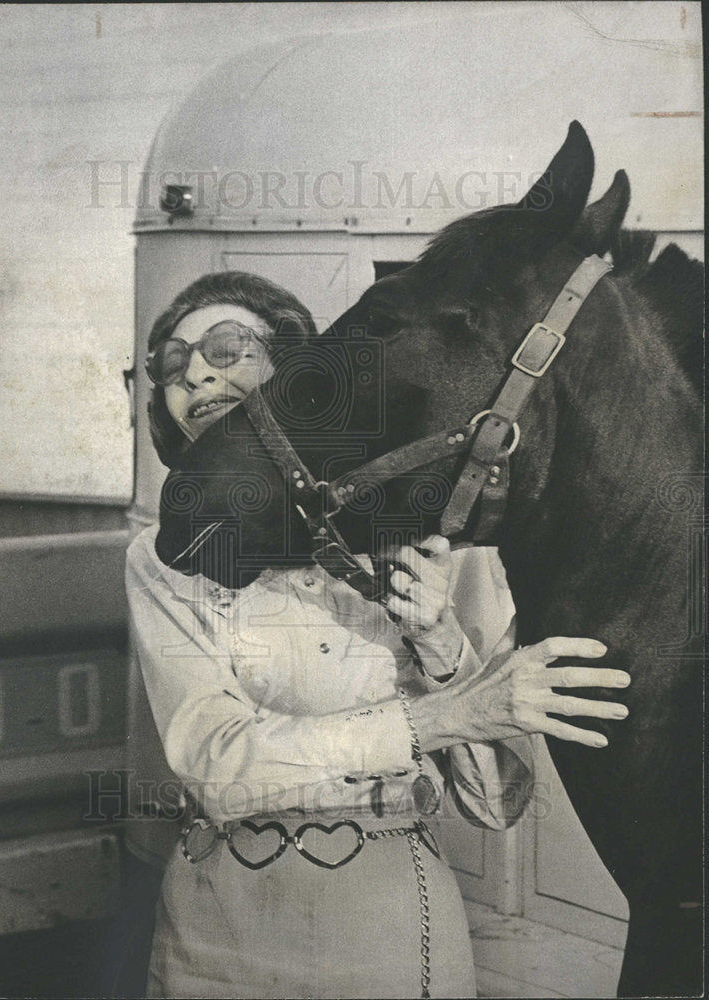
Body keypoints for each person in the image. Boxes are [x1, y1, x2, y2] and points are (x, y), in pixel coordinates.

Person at [125, 271, 630, 1000]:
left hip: (390, 933)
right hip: (214, 932)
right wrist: (442, 716)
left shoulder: (434, 538)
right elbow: (216, 764)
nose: (195, 372)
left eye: (226, 347)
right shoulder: (161, 559)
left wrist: (436, 636)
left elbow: (496, 803)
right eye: (171, 366)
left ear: (300, 377)